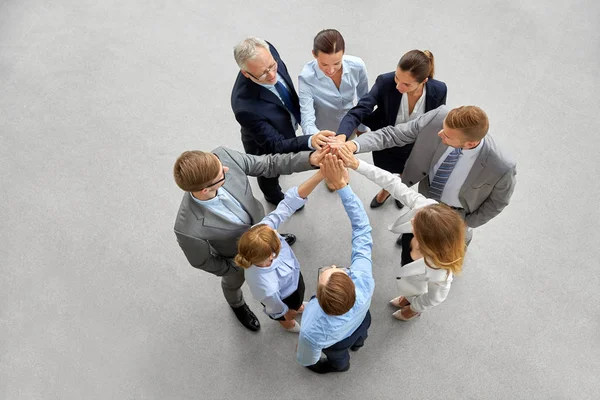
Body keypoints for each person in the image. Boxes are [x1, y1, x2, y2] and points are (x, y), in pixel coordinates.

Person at [173, 146, 325, 332]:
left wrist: (310, 159)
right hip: (235, 258)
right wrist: (238, 265)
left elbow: (269, 164)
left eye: (220, 164)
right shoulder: (187, 228)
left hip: (262, 226)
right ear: (205, 190)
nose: (226, 169)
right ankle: (237, 305)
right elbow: (203, 261)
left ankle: (270, 244)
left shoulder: (223, 156)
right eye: (221, 173)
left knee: (270, 234)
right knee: (232, 284)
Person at [337, 105, 517, 244]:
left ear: (469, 144)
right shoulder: (438, 117)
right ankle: (412, 238)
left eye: (447, 136)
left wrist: (465, 223)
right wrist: (354, 146)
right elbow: (392, 135)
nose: (439, 134)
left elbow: (498, 202)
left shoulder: (502, 167)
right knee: (413, 238)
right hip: (425, 195)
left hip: (457, 215)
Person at [336, 146, 465, 320]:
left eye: (416, 225)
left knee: (415, 290)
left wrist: (414, 307)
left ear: (427, 241)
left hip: (418, 285)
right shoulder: (426, 207)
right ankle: (407, 295)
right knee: (408, 278)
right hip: (412, 272)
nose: (411, 220)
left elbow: (435, 298)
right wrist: (356, 164)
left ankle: (410, 301)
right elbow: (393, 184)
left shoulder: (440, 272)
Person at [335, 50, 447, 209]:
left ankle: (394, 190)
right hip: (385, 141)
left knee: (406, 172)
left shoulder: (439, 90)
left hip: (416, 146)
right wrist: (342, 136)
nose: (398, 86)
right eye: (397, 77)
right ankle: (387, 189)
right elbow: (360, 109)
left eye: (406, 84)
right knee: (385, 171)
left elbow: (436, 120)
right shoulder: (385, 82)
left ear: (424, 81)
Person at [231, 37, 334, 205]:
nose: (272, 75)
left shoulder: (267, 49)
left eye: (272, 66)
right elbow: (275, 146)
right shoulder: (245, 108)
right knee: (269, 173)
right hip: (263, 143)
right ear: (246, 73)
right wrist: (310, 140)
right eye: (263, 73)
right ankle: (274, 198)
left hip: (283, 121)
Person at [296, 154, 374, 374]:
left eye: (326, 272)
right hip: (361, 320)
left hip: (335, 342)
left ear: (319, 299)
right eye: (335, 270)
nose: (331, 265)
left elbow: (307, 357)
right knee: (360, 334)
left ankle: (340, 367)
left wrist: (309, 363)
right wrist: (343, 186)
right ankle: (359, 343)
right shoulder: (363, 280)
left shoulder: (311, 327)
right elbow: (362, 231)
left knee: (338, 358)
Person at [234, 170, 325, 332]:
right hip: (283, 296)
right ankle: (289, 324)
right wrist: (285, 314)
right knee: (287, 314)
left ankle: (297, 306)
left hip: (294, 280)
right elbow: (274, 306)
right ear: (270, 256)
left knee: (297, 298)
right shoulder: (263, 284)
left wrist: (320, 174)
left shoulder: (262, 231)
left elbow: (288, 204)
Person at [298, 29, 368, 138]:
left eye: (336, 63)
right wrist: (318, 138)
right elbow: (307, 120)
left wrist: (362, 128)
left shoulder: (357, 66)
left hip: (350, 130)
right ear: (314, 54)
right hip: (322, 135)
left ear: (343, 53)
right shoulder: (306, 78)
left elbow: (364, 100)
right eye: (324, 64)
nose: (331, 70)